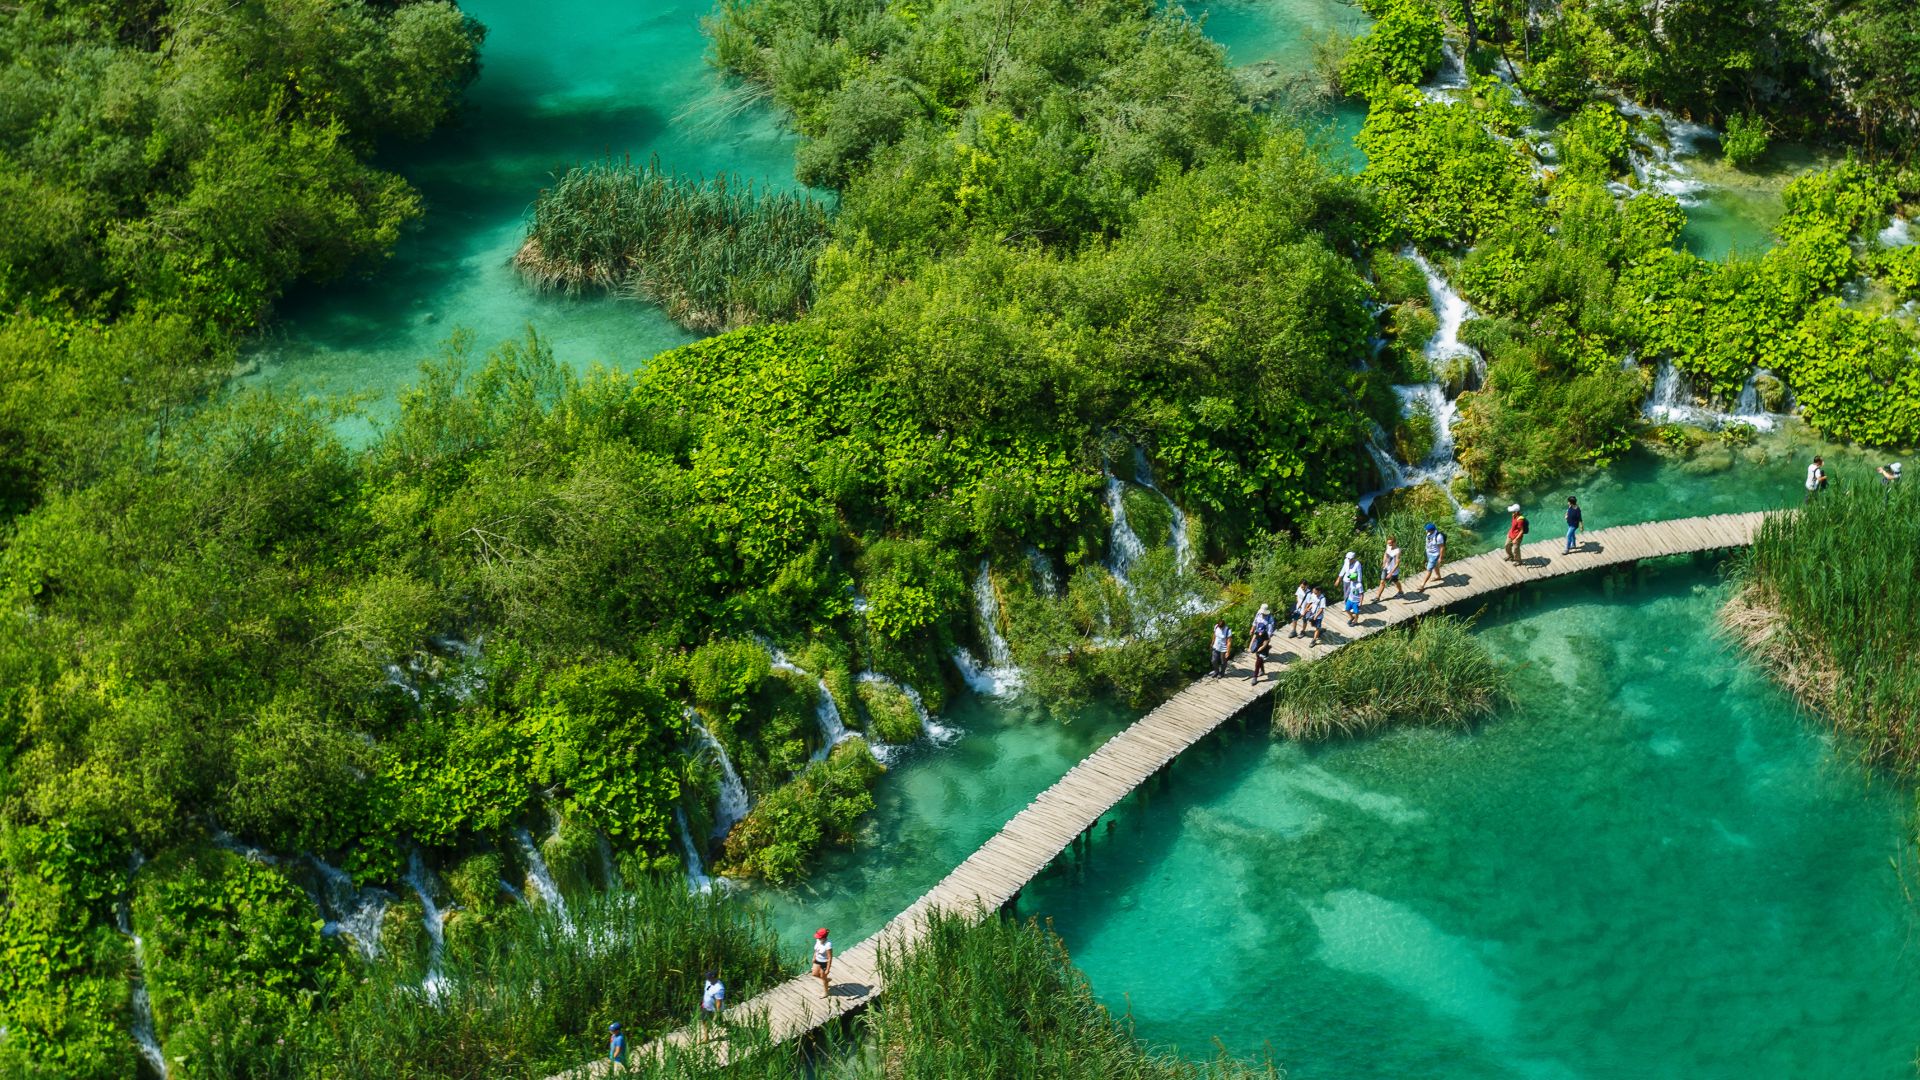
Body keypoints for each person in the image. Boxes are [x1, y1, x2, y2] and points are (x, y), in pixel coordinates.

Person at [1417, 522, 1447, 592]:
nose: (1426, 530)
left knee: (1429, 569)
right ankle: (1438, 576)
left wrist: (1440, 558)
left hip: (1434, 555)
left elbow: (1442, 547)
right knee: (1435, 565)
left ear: (1431, 530)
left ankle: (1422, 584)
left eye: (1427, 529)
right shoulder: (1429, 533)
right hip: (1429, 553)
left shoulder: (1439, 537)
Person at [1373, 536, 1404, 602]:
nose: (1389, 545)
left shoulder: (1397, 551)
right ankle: (1377, 597)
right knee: (1382, 581)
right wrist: (1384, 562)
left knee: (1395, 581)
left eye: (1390, 544)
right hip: (1386, 567)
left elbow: (1397, 564)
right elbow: (1386, 554)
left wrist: (1390, 573)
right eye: (1388, 543)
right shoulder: (1388, 546)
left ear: (1394, 543)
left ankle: (1400, 592)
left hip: (1393, 570)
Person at [699, 971, 725, 1039]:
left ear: (714, 978)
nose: (708, 979)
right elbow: (706, 991)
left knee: (713, 1021)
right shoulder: (708, 981)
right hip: (705, 1005)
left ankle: (726, 1025)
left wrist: (717, 1013)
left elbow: (718, 1001)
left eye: (709, 978)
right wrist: (703, 1002)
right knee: (704, 1020)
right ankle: (706, 1036)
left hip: (713, 1008)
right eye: (707, 978)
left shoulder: (719, 988)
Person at [812, 927, 834, 998]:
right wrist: (814, 957)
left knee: (823, 977)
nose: (818, 938)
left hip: (824, 962)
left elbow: (830, 958)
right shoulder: (818, 940)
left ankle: (826, 992)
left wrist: (828, 969)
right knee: (814, 974)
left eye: (819, 937)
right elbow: (816, 950)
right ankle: (826, 980)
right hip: (817, 960)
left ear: (824, 938)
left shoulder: (828, 945)